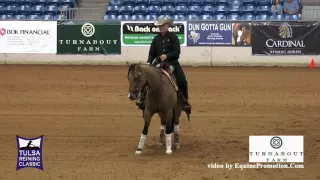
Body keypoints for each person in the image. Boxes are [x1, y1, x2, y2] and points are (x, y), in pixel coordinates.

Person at [135, 16, 191, 114]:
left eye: (162, 25)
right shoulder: (156, 39)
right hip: (158, 63)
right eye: (159, 26)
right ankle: (142, 99)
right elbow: (151, 53)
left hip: (172, 63)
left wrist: (167, 56)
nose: (161, 27)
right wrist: (149, 62)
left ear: (167, 25)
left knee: (182, 81)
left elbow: (177, 52)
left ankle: (184, 101)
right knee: (147, 78)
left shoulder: (173, 37)